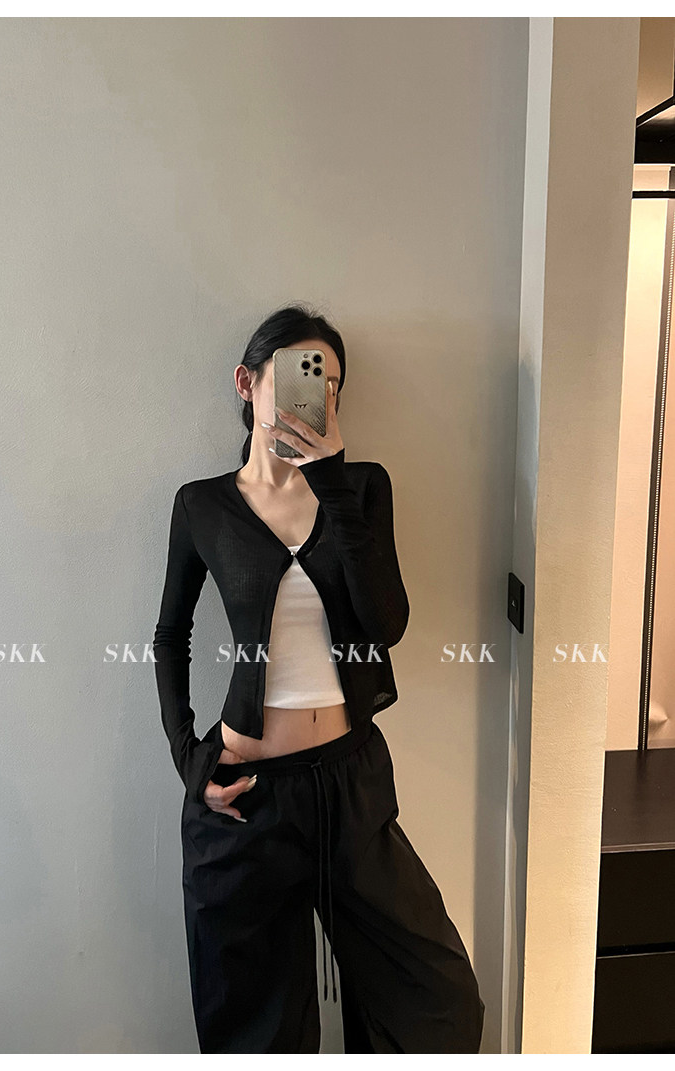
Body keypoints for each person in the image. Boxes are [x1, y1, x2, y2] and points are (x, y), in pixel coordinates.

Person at [153, 304, 485, 1053]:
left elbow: (386, 622)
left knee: (437, 1002)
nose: (318, 395)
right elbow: (170, 636)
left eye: (330, 384)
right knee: (259, 1035)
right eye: (301, 376)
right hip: (245, 799)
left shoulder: (361, 488)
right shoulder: (202, 504)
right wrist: (188, 761)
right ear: (247, 382)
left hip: (349, 784)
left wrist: (330, 480)